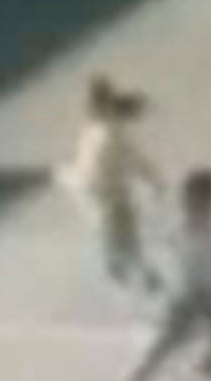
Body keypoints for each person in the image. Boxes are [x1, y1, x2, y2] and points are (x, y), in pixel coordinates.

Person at [116, 167, 211, 381]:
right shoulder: (185, 225)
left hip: (206, 291)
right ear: (195, 198)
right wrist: (149, 273)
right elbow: (163, 245)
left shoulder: (208, 226)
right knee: (161, 348)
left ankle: (210, 363)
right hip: (186, 297)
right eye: (208, 198)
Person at [55, 75, 165, 295]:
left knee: (119, 230)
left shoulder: (98, 125)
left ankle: (133, 270)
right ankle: (127, 272)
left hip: (99, 190)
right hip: (101, 191)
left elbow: (119, 113)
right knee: (117, 231)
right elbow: (133, 158)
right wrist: (152, 180)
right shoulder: (108, 134)